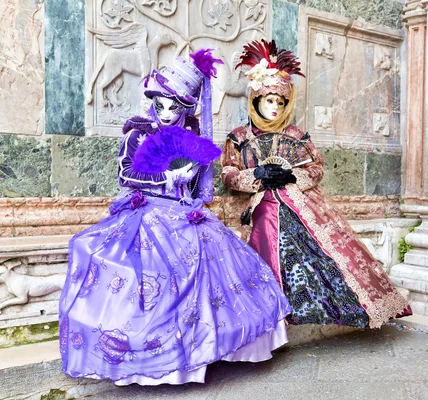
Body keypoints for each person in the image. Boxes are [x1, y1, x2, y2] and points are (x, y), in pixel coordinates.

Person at [58, 49, 291, 385]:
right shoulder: (138, 133)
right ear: (152, 102)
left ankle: (199, 353)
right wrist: (163, 179)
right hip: (146, 210)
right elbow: (126, 173)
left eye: (174, 107)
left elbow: (199, 188)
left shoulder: (193, 140)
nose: (166, 114)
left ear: (186, 109)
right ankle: (147, 357)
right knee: (137, 270)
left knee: (215, 262)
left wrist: (190, 194)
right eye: (160, 105)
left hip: (184, 213)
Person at [221, 40, 412, 330]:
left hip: (303, 203)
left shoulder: (297, 136)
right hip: (262, 205)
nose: (275, 107)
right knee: (268, 224)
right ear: (256, 99)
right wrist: (257, 174)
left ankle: (326, 307)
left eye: (280, 101)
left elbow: (316, 166)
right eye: (269, 100)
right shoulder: (239, 137)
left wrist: (292, 176)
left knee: (331, 251)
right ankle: (273, 313)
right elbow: (228, 171)